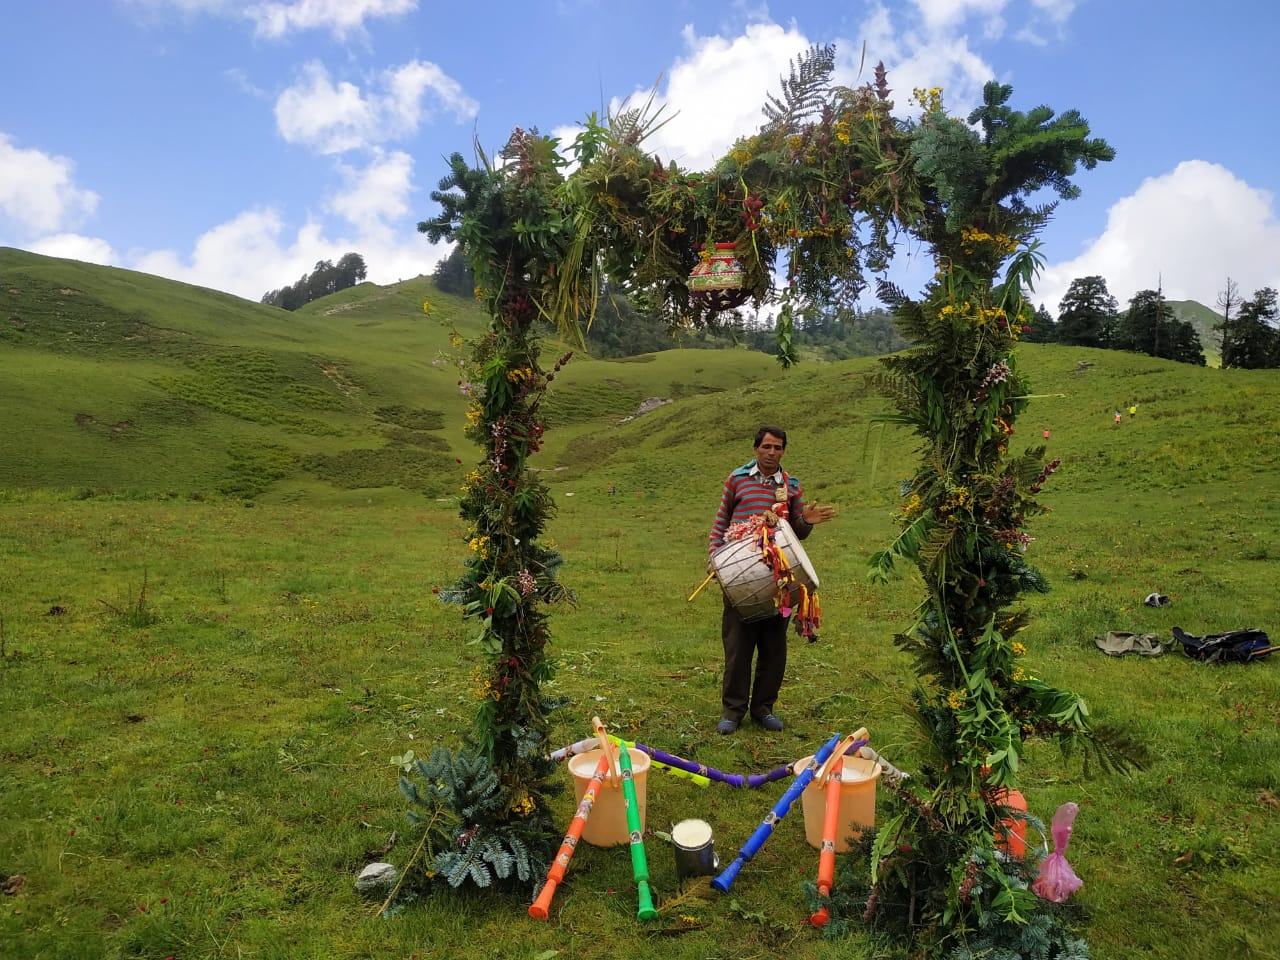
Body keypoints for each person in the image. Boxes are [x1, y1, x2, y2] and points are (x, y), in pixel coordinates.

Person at [707, 425, 836, 734]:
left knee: (773, 647)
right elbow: (721, 520)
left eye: (778, 447)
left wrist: (807, 520)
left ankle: (764, 709)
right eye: (766, 446)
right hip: (741, 574)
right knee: (738, 646)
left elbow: (796, 532)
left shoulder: (791, 485)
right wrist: (715, 558)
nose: (772, 452)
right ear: (756, 449)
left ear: (783, 451)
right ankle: (732, 711)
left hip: (780, 579)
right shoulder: (737, 479)